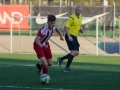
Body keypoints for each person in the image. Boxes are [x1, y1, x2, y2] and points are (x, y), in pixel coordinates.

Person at [57, 6, 83, 72]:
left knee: (76, 53)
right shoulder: (71, 18)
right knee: (74, 52)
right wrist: (69, 36)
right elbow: (65, 27)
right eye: (78, 10)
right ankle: (67, 68)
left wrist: (80, 30)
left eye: (80, 10)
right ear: (75, 10)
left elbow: (76, 26)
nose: (79, 12)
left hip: (75, 36)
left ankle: (61, 59)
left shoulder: (80, 17)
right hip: (70, 36)